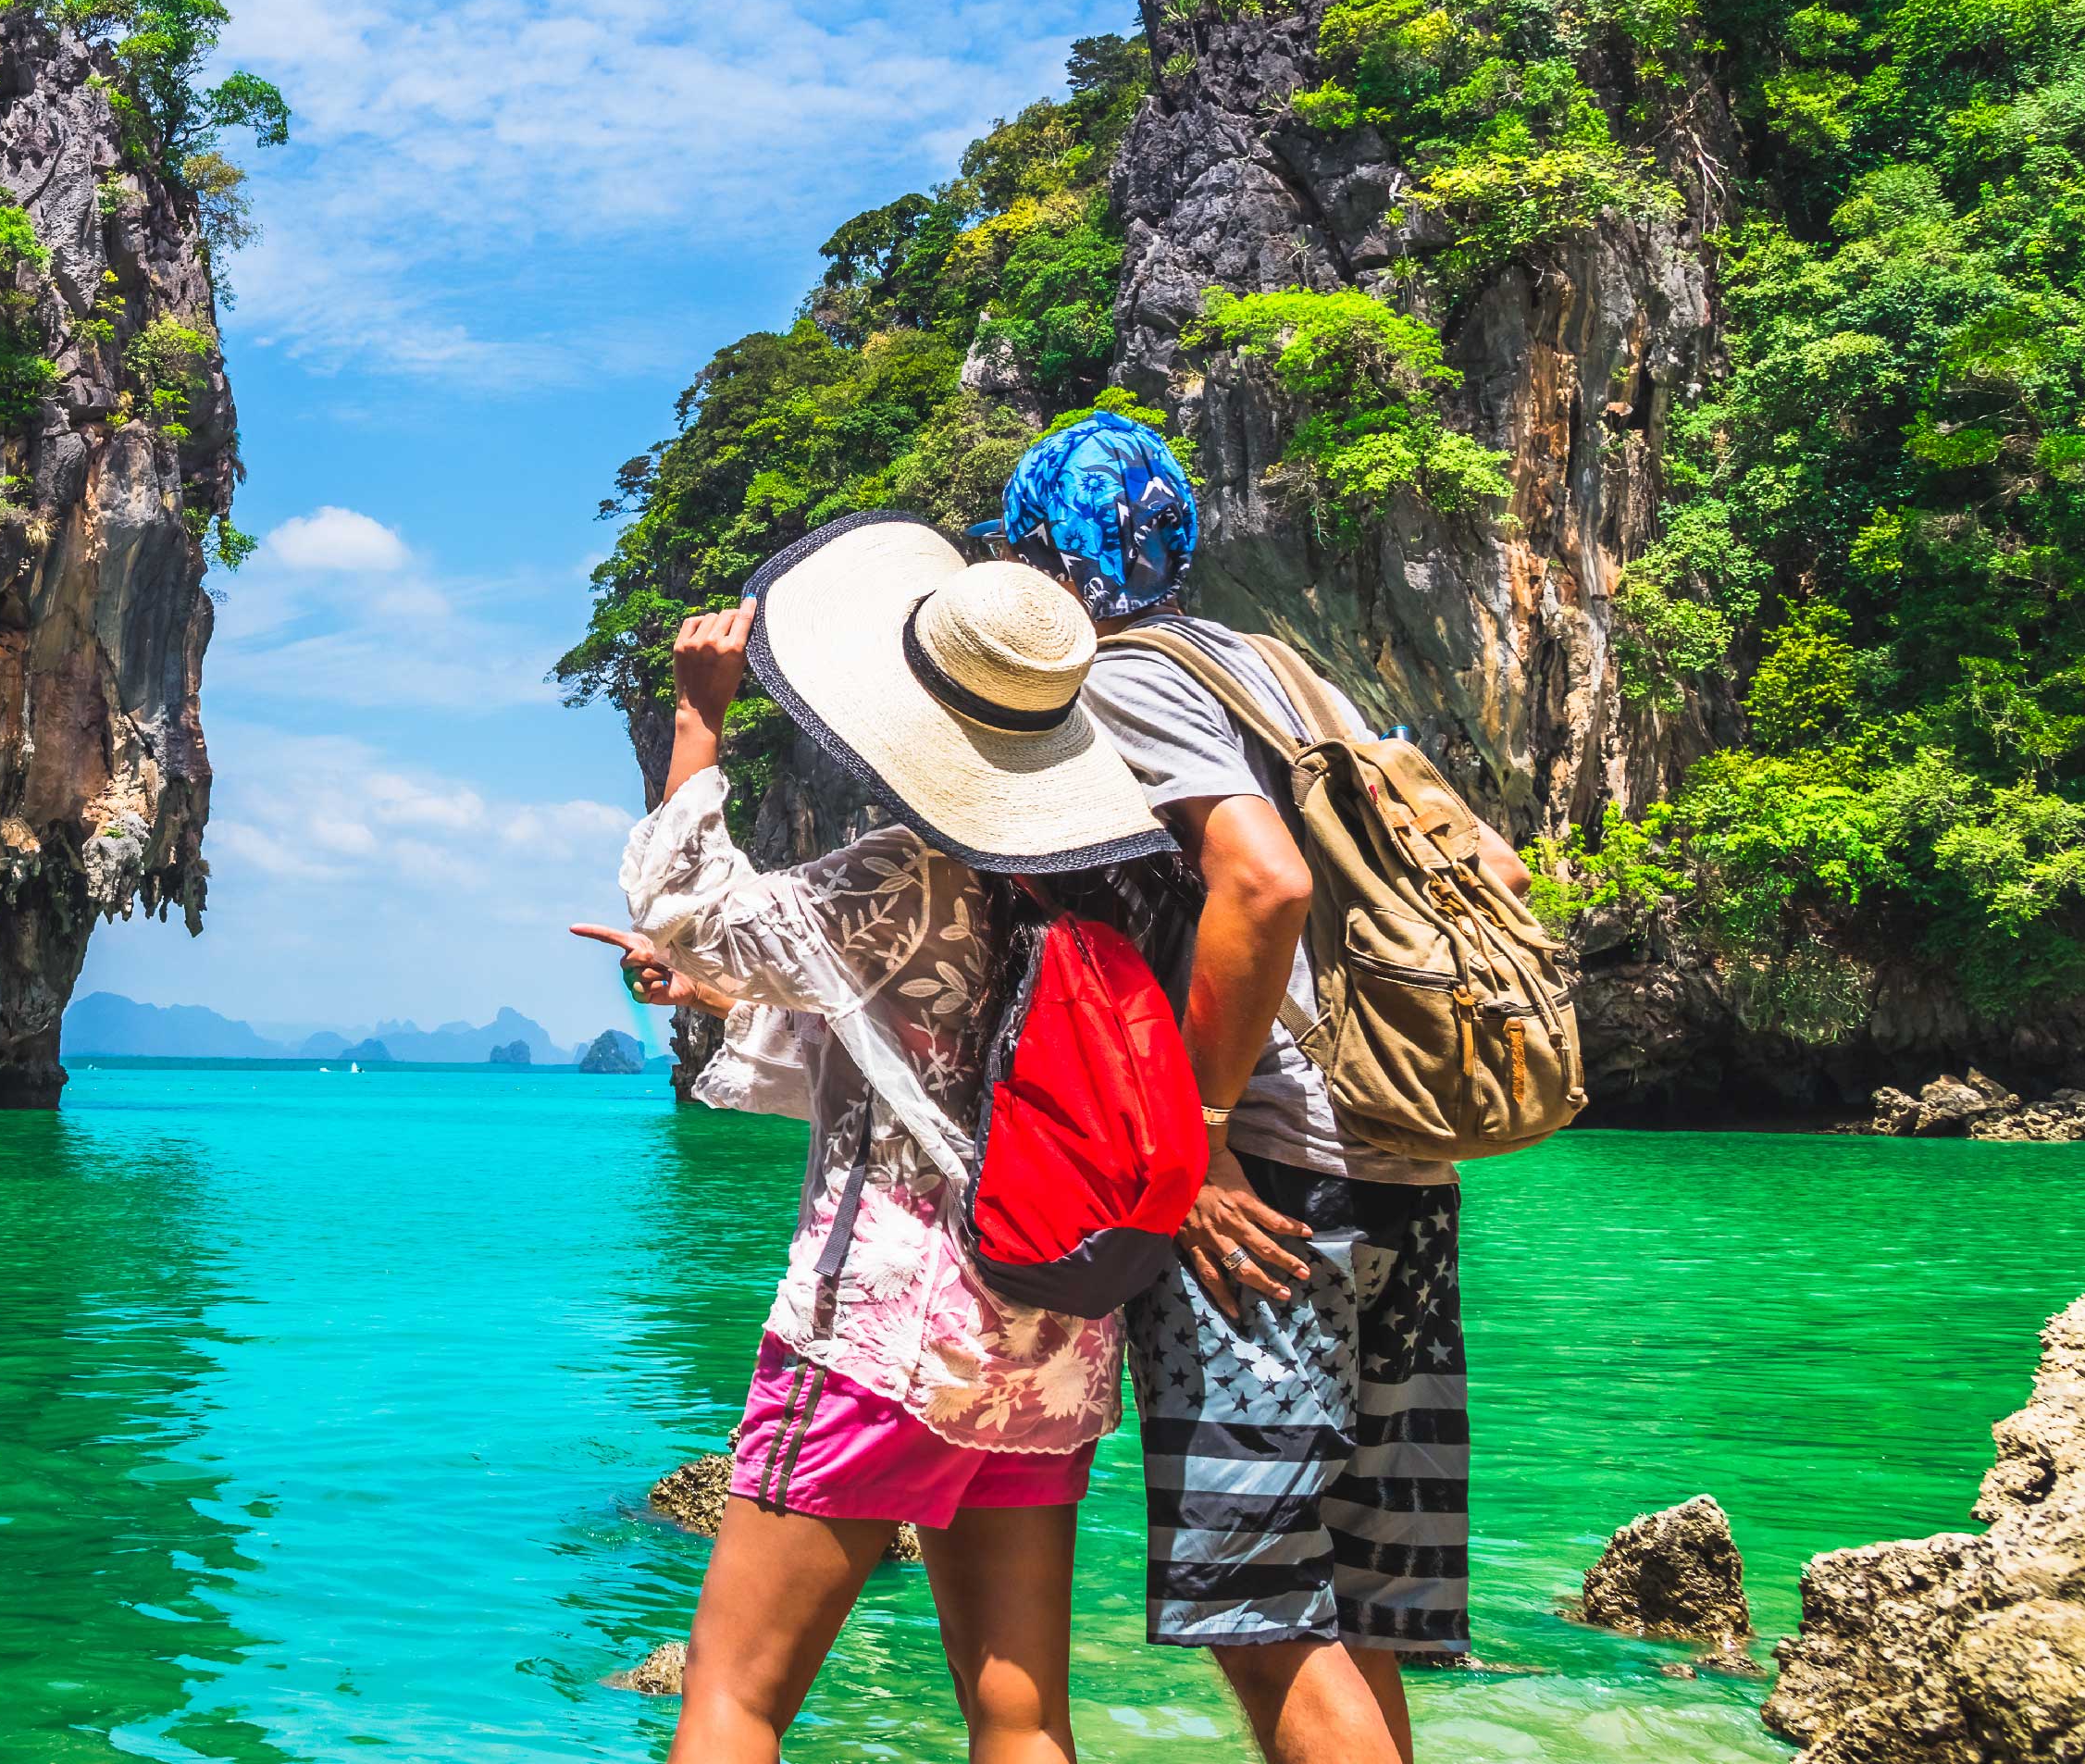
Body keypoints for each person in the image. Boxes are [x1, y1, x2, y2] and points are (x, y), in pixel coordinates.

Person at [571, 514, 1185, 1764]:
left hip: (881, 1340)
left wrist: (699, 722)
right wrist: (719, 997)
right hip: (1049, 1337)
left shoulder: (907, 875)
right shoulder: (1120, 882)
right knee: (1020, 1713)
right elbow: (940, 1064)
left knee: (734, 1700)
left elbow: (690, 910)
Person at [981, 416, 1533, 1764]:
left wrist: (1204, 1137)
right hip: (1406, 1165)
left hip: (1281, 1181)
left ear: (1047, 554)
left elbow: (1267, 881)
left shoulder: (1126, 680)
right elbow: (1500, 871)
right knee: (1345, 1594)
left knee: (1254, 1602)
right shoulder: (1282, 670)